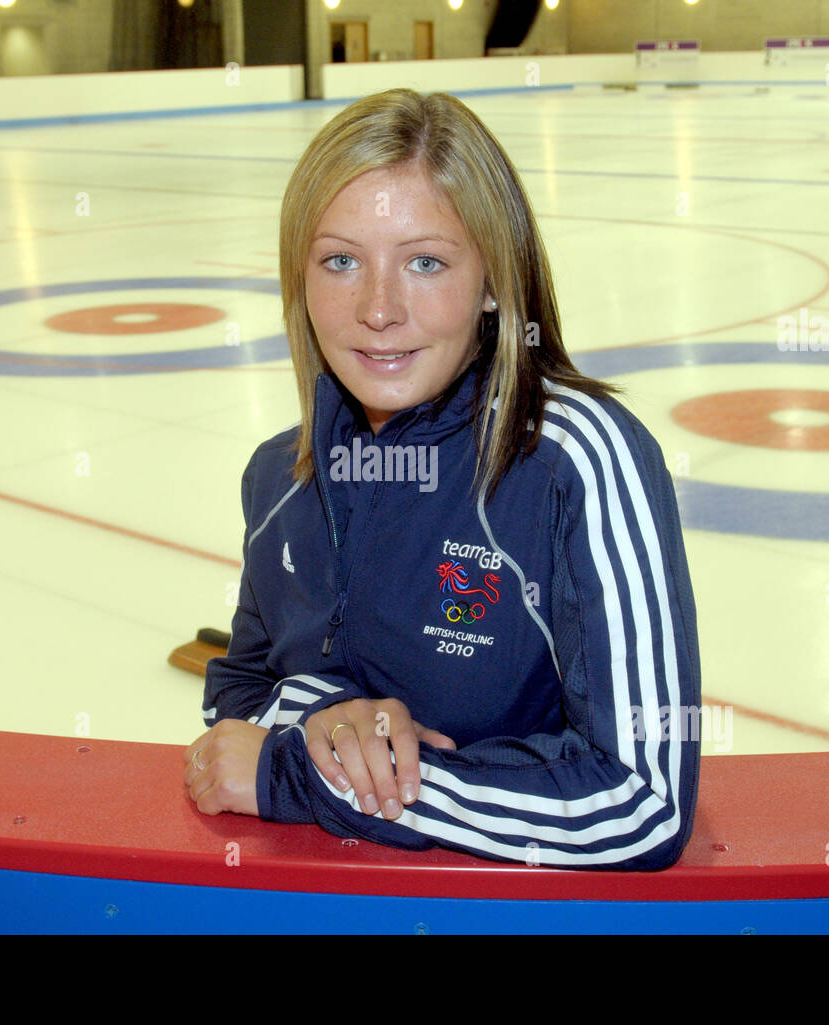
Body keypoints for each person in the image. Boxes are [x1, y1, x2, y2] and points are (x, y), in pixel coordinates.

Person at [183, 88, 700, 869]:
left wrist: (319, 777)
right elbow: (244, 693)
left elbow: (641, 802)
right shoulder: (278, 477)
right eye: (340, 260)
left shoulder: (575, 461)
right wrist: (333, 713)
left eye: (425, 261)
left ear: (494, 281)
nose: (378, 308)